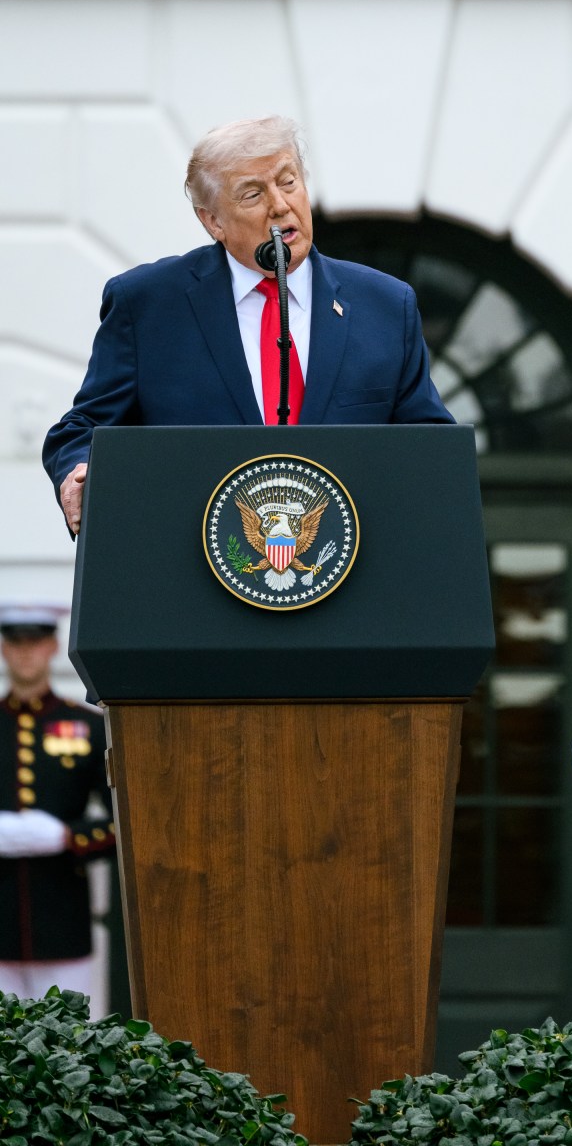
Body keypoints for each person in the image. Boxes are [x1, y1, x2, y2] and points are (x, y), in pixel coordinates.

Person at [42, 114, 453, 535]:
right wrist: (78, 469)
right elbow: (82, 428)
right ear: (213, 222)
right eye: (252, 194)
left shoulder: (384, 304)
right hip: (195, 566)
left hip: (348, 567)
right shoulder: (148, 305)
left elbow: (433, 446)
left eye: (288, 181)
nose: (279, 205)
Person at [0, 604, 116, 1000]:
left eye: (35, 642)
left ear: (52, 646)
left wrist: (68, 837)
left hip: (64, 921)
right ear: (3, 649)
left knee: (69, 1049)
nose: (26, 652)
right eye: (16, 644)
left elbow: (127, 822)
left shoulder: (87, 726)